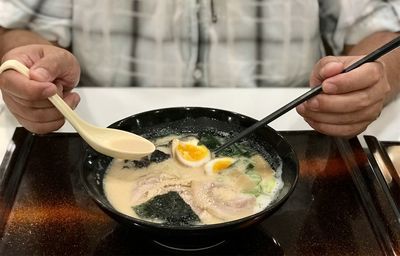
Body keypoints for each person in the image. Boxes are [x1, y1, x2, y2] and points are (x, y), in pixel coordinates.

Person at [0, 1, 399, 136]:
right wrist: (29, 63)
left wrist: (369, 77)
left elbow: (381, 31)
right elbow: (24, 25)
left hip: (291, 131)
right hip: (98, 128)